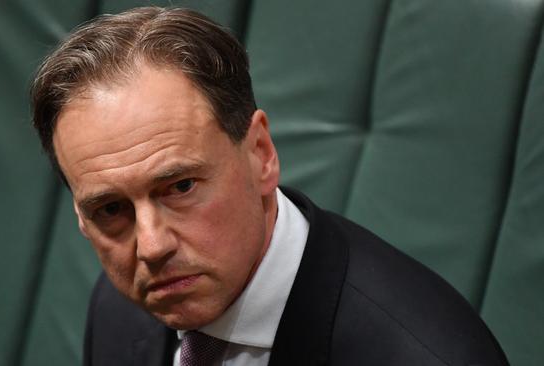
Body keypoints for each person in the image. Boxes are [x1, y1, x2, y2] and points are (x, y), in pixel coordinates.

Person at [30, 6, 509, 366]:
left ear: (261, 153)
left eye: (180, 187)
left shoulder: (427, 355)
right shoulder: (122, 305)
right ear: (80, 214)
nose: (151, 247)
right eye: (111, 209)